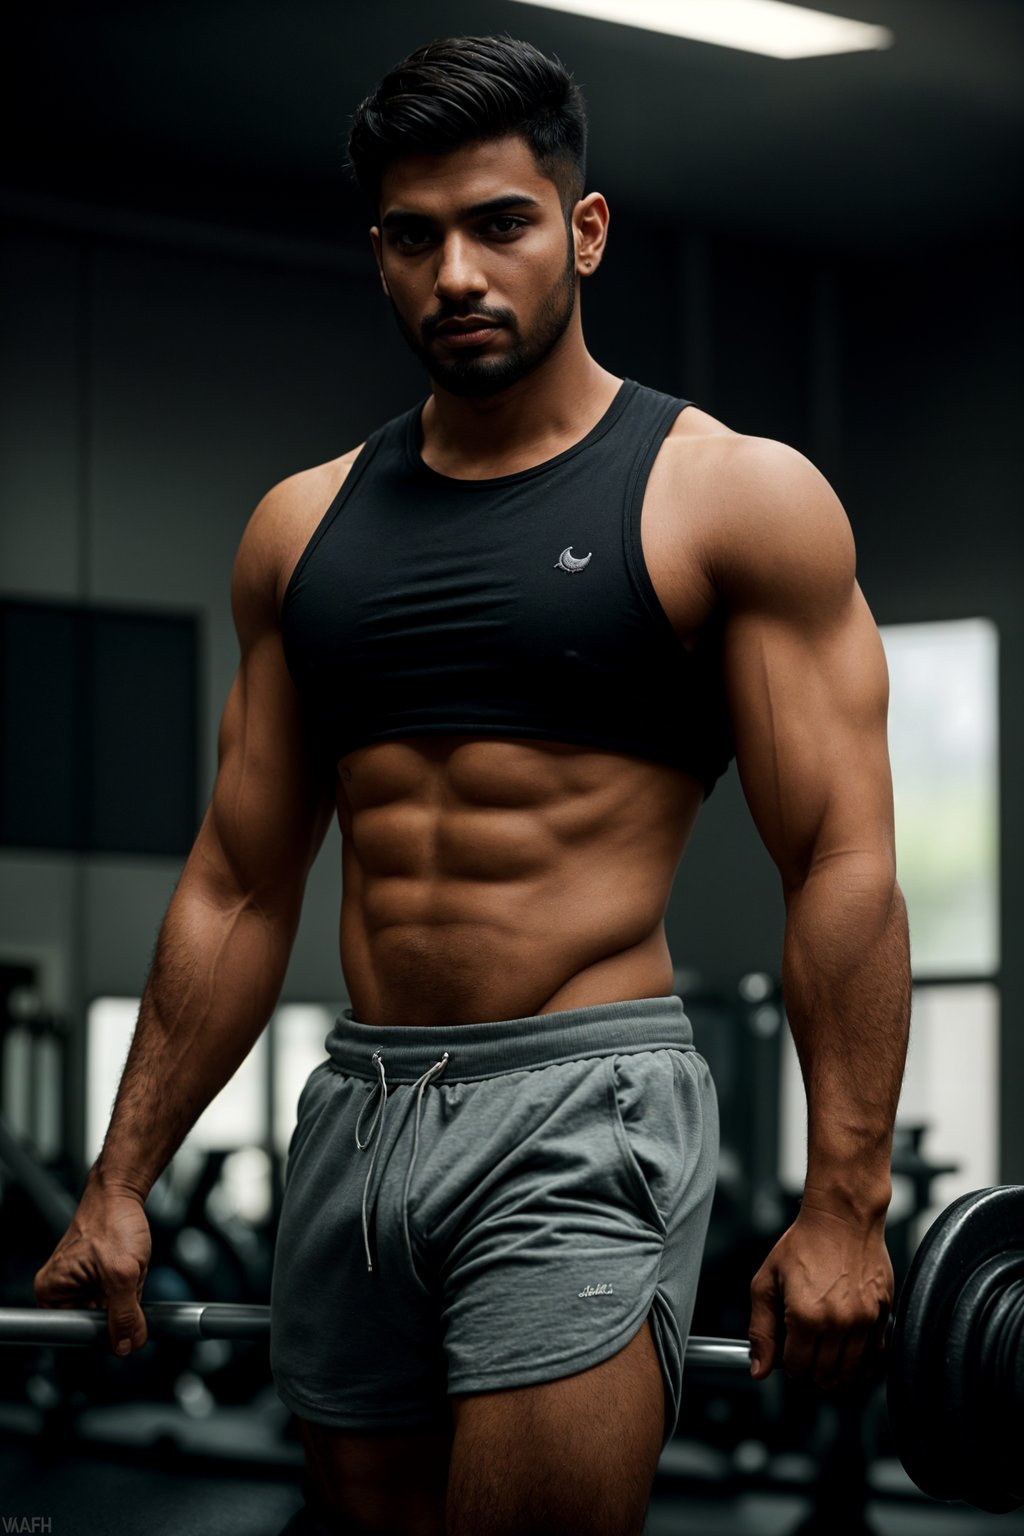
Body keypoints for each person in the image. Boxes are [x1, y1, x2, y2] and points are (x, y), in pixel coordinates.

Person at [34, 33, 911, 1536]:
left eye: (499, 223)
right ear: (376, 255)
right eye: (411, 235)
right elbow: (241, 881)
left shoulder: (725, 499)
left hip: (581, 1105)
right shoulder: (300, 530)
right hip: (357, 1110)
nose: (455, 273)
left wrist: (846, 1199)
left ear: (582, 231)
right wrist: (120, 1181)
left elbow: (839, 857)